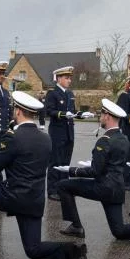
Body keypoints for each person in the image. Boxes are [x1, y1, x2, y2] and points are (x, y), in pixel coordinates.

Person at [0, 91, 88, 259]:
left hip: (13, 195)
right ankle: (72, 251)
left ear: (17, 112)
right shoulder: (45, 138)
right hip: (34, 199)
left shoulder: (12, 138)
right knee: (33, 250)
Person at [55, 99, 130, 249]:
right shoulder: (123, 138)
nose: (100, 118)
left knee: (63, 185)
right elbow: (112, 162)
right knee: (119, 230)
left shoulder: (104, 140)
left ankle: (76, 226)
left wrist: (71, 170)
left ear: (107, 116)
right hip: (117, 187)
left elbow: (95, 171)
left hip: (103, 187)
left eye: (102, 114)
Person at [42, 66, 95, 201]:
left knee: (65, 161)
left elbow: (74, 111)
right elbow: (49, 111)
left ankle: (64, 187)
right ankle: (53, 190)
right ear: (59, 79)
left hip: (69, 132)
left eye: (70, 78)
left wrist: (83, 115)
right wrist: (63, 114)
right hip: (57, 132)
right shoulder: (52, 93)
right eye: (66, 78)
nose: (69, 80)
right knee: (55, 162)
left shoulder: (70, 94)